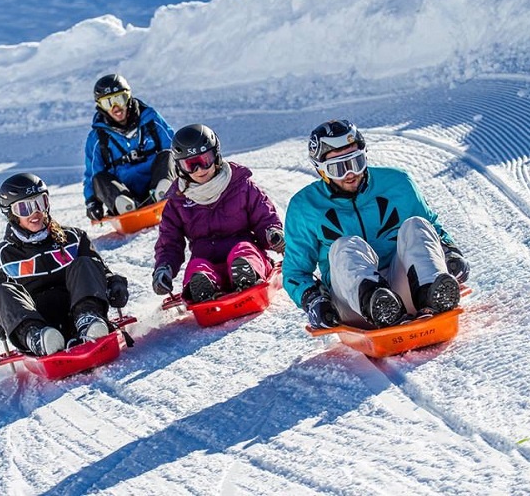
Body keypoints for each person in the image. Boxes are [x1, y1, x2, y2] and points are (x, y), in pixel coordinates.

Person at [283, 119, 470, 330]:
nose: (350, 174)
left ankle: (432, 296)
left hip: (406, 289)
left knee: (416, 225)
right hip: (352, 304)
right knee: (345, 246)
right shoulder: (304, 207)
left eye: (356, 162)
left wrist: (451, 253)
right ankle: (376, 303)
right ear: (321, 170)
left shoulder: (399, 183)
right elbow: (295, 272)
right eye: (338, 168)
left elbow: (432, 229)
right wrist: (313, 300)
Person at [0, 173, 130, 356]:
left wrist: (114, 283)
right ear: (11, 214)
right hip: (38, 321)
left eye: (41, 202)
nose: (35, 212)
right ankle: (37, 337)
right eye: (24, 208)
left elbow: (100, 273)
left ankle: (89, 320)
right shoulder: (1, 256)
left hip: (78, 309)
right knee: (2, 291)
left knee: (85, 263)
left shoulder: (74, 238)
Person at [151, 124, 285, 303]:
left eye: (204, 160)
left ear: (216, 155)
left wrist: (272, 234)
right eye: (191, 164)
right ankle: (203, 286)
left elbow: (264, 217)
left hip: (243, 252)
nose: (199, 169)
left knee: (243, 251)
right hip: (207, 258)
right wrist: (164, 267)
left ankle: (247, 274)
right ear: (180, 167)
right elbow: (170, 242)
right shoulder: (178, 202)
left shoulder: (241, 186)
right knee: (197, 266)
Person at [83, 73, 176, 221]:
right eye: (108, 103)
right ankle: (125, 206)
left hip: (157, 183)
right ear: (100, 106)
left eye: (120, 99)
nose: (116, 107)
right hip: (125, 193)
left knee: (169, 154)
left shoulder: (151, 120)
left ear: (128, 97)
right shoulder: (96, 138)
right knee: (99, 178)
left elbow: (174, 145)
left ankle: (164, 193)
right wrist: (91, 202)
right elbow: (91, 175)